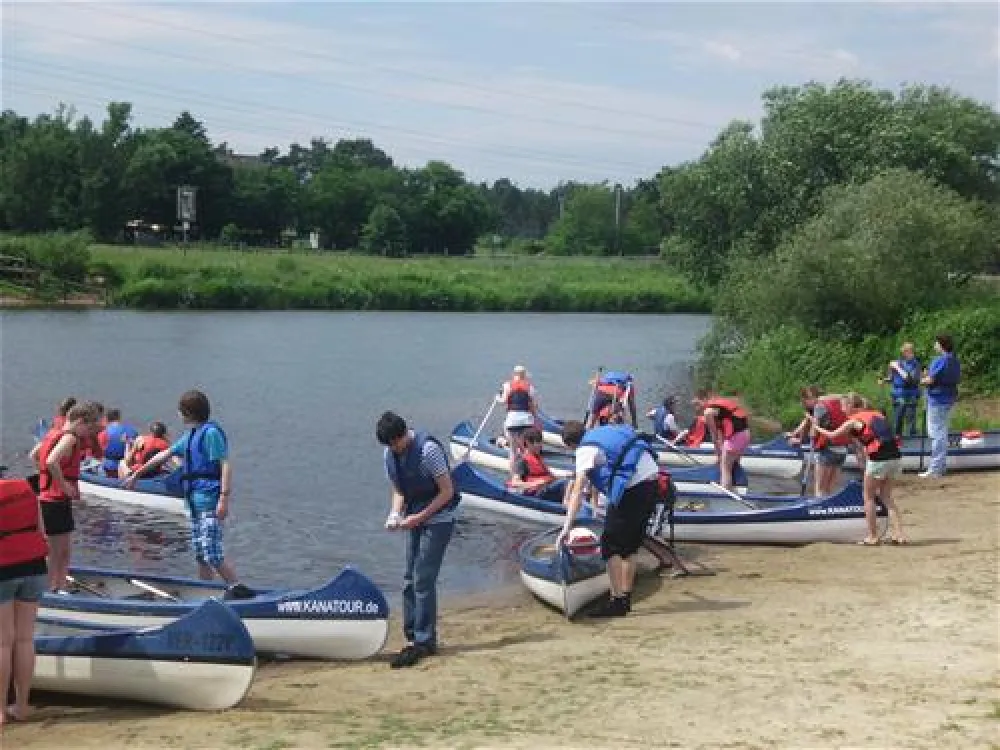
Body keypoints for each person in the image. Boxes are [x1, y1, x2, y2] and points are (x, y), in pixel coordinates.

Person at [124, 390, 241, 586]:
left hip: (210, 499)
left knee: (213, 554)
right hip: (194, 502)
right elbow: (163, 456)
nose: (178, 415)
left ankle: (238, 589)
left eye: (180, 411)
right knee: (201, 555)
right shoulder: (190, 435)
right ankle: (206, 592)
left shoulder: (210, 433)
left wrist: (224, 498)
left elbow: (225, 465)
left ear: (187, 412)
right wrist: (137, 473)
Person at [377, 411, 459, 668]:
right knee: (409, 579)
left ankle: (425, 640)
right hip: (415, 517)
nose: (394, 448)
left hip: (439, 518)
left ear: (403, 435)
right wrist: (395, 513)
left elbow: (447, 491)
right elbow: (399, 490)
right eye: (389, 446)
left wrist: (421, 516)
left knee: (423, 578)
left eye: (395, 443)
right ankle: (412, 635)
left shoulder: (428, 450)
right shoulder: (390, 454)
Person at [558, 420, 660, 617]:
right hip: (652, 482)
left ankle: (617, 601)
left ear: (571, 445)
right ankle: (625, 599)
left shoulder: (584, 450)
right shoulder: (603, 434)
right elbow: (605, 471)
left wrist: (566, 527)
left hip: (633, 488)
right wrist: (597, 506)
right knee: (629, 546)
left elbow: (578, 489)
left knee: (610, 545)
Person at [813, 393, 907, 546]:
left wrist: (816, 426)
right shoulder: (878, 414)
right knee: (887, 497)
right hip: (895, 457)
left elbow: (832, 435)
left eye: (843, 406)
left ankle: (873, 536)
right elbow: (866, 442)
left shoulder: (853, 421)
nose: (842, 410)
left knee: (868, 497)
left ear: (851, 406)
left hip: (879, 459)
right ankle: (899, 534)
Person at [28, 401, 102, 591]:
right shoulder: (69, 438)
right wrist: (63, 485)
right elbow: (52, 461)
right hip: (54, 500)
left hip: (52, 499)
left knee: (63, 550)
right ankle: (50, 589)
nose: (90, 433)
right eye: (90, 427)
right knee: (56, 551)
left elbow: (34, 455)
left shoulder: (54, 433)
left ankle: (58, 586)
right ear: (80, 422)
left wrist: (45, 480)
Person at [0, 477, 49, 726]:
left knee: (3, 642)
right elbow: (42, 530)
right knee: (24, 638)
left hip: (4, 567)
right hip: (34, 566)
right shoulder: (25, 488)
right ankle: (21, 706)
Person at [787, 386, 852, 496]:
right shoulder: (834, 403)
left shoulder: (819, 407)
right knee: (831, 488)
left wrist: (805, 438)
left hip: (828, 451)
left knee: (820, 488)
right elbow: (807, 420)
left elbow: (814, 430)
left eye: (804, 401)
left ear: (808, 399)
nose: (804, 404)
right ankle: (829, 510)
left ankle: (819, 508)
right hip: (843, 450)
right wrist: (795, 433)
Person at [919, 333, 961, 478]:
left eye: (936, 343)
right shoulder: (955, 360)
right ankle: (940, 467)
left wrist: (921, 380)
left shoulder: (940, 360)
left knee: (936, 434)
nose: (935, 345)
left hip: (938, 399)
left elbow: (930, 380)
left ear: (941, 344)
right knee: (942, 433)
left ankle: (935, 469)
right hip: (949, 398)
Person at [693, 390, 750, 491]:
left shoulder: (708, 412)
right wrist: (721, 452)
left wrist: (719, 456)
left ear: (704, 399)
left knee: (725, 468)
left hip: (736, 437)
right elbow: (721, 432)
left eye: (697, 403)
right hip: (745, 434)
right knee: (733, 465)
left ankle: (726, 494)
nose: (697, 407)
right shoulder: (718, 408)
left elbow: (714, 436)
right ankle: (738, 487)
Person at [506, 427, 568, 504]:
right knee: (566, 483)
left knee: (571, 481)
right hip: (537, 493)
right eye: (535, 442)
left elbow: (551, 477)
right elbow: (515, 482)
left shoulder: (538, 458)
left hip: (547, 489)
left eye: (539, 442)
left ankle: (572, 504)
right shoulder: (522, 460)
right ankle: (565, 508)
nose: (539, 445)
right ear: (527, 443)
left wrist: (566, 476)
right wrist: (534, 484)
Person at [497, 365, 539, 474]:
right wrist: (536, 421)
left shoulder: (507, 385)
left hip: (512, 421)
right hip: (527, 421)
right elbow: (534, 406)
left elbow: (503, 401)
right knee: (526, 450)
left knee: (512, 451)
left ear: (513, 374)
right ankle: (527, 473)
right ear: (524, 376)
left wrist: (497, 398)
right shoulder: (530, 388)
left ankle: (514, 476)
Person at [881, 342, 922, 437]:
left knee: (910, 417)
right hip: (898, 394)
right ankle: (897, 438)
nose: (911, 354)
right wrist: (884, 380)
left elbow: (910, 379)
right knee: (898, 417)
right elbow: (891, 378)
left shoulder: (916, 364)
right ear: (904, 353)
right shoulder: (896, 363)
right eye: (908, 351)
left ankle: (911, 438)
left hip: (911, 393)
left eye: (912, 351)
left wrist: (897, 367)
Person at [98, 408, 139, 479]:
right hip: (127, 466)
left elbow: (98, 451)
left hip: (108, 466)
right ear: (119, 417)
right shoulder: (133, 431)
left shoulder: (103, 432)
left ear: (107, 418)